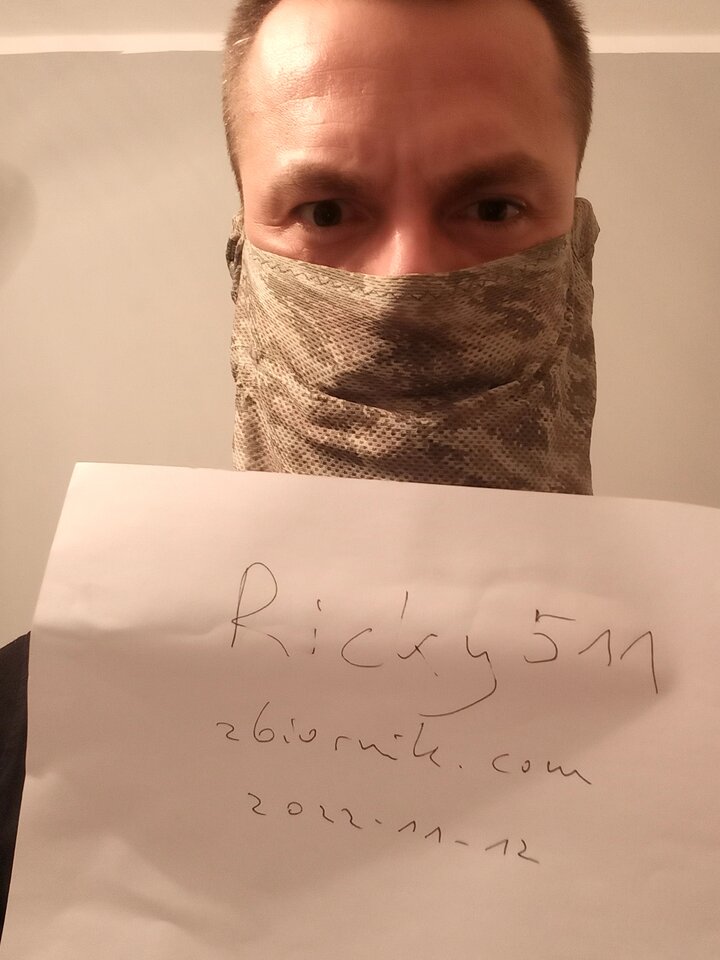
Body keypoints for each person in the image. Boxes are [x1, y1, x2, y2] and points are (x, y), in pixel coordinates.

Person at [0, 0, 598, 938]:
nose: (402, 286)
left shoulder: (700, 714)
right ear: (243, 259)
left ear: (579, 248)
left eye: (491, 208)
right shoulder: (39, 723)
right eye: (325, 212)